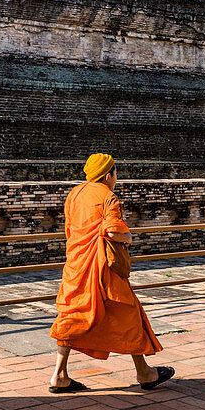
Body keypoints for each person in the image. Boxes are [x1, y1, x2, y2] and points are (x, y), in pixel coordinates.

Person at [49, 152, 175, 393]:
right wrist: (128, 236)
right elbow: (114, 232)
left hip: (76, 266)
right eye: (116, 174)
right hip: (103, 269)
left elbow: (69, 230)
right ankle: (144, 373)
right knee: (129, 314)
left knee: (72, 316)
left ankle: (59, 375)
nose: (115, 179)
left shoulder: (74, 194)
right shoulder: (108, 197)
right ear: (108, 175)